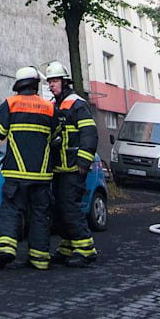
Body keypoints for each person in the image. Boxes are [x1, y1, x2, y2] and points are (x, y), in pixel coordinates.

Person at [0, 66, 54, 271]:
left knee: (11, 210)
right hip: (41, 174)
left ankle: (7, 249)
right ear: (35, 84)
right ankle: (40, 259)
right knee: (40, 214)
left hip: (16, 172)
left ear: (18, 84)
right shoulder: (49, 107)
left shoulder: (11, 103)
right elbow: (56, 136)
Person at [43, 60, 99, 267]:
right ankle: (67, 247)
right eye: (50, 82)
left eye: (55, 81)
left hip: (74, 168)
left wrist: (84, 159)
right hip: (59, 168)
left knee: (70, 207)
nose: (51, 85)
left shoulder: (77, 104)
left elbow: (89, 133)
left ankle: (86, 250)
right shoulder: (54, 105)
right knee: (59, 208)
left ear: (65, 82)